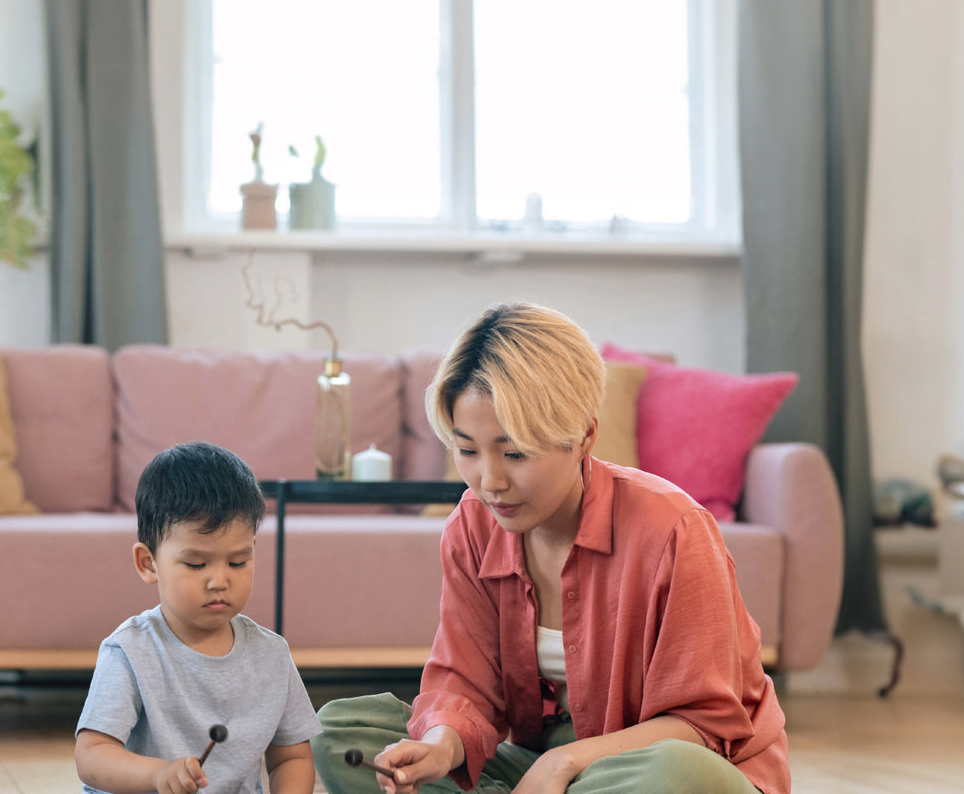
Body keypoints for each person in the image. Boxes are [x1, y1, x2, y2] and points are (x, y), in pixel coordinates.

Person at [311, 303, 788, 794]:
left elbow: (703, 725)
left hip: (654, 767)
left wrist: (564, 762)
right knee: (340, 732)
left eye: (515, 453)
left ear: (583, 435)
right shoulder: (472, 526)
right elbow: (465, 685)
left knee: (677, 773)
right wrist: (439, 744)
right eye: (468, 451)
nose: (490, 482)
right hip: (535, 769)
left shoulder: (674, 531)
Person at [76, 441, 322, 794]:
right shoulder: (130, 651)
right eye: (196, 564)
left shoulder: (272, 655)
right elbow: (91, 757)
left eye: (238, 562)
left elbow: (290, 758)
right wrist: (157, 775)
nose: (219, 581)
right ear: (149, 564)